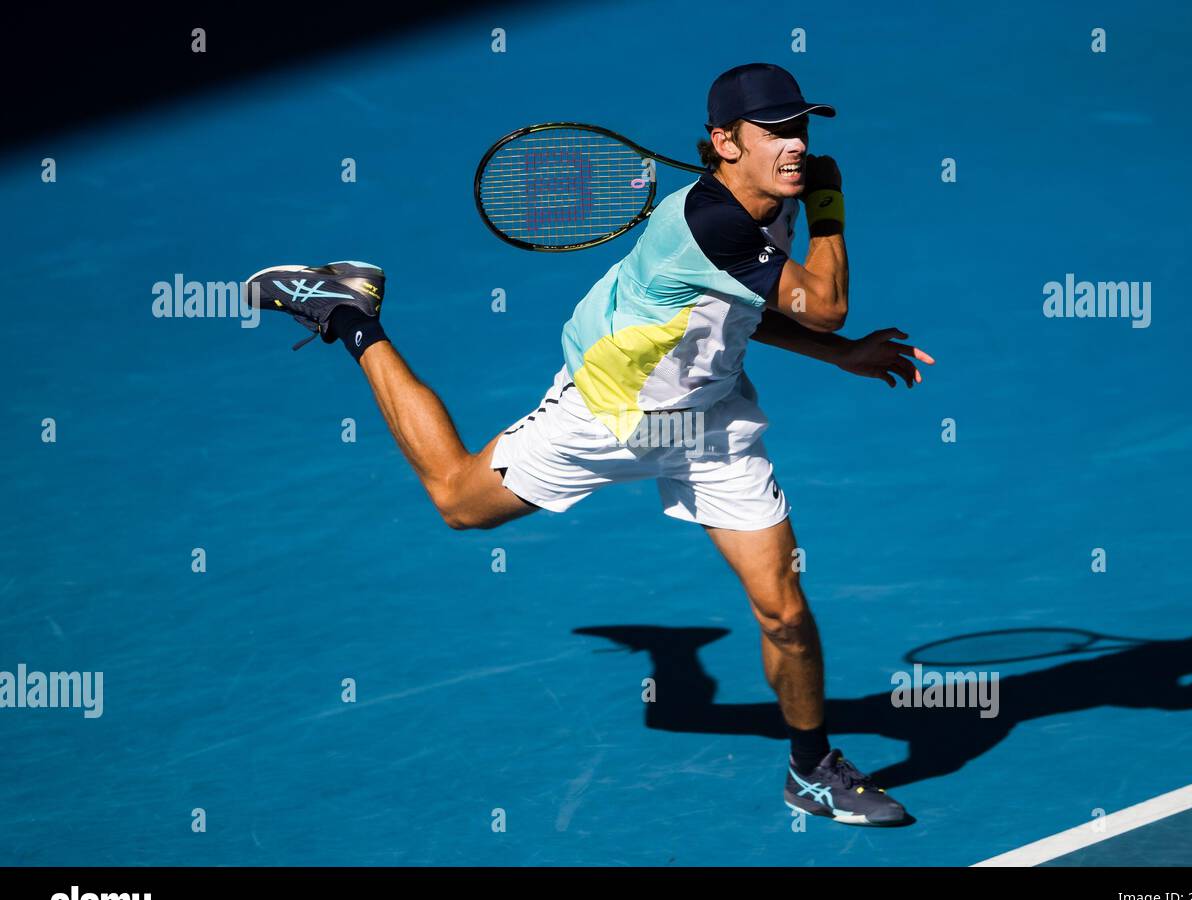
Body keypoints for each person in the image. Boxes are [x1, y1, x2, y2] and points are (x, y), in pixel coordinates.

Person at [246, 63, 934, 825]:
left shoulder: (772, 200)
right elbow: (826, 306)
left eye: (801, 128)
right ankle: (349, 313)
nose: (796, 145)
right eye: (775, 131)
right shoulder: (712, 220)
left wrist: (838, 356)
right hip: (607, 414)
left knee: (784, 611)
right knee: (454, 499)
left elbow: (743, 307)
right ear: (724, 143)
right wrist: (833, 213)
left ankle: (811, 769)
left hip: (711, 422)